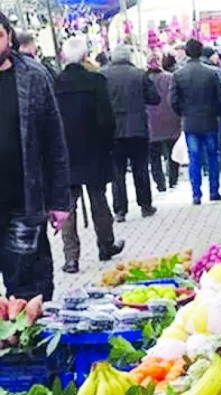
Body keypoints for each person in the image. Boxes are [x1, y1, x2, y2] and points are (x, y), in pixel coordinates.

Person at [0, 11, 71, 300]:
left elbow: (54, 142)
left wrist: (59, 200)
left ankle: (32, 343)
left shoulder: (33, 76)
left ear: (8, 36)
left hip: (24, 203)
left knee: (29, 287)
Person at [54, 37, 124, 274]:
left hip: (65, 154)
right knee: (99, 201)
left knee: (68, 207)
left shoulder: (56, 83)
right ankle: (106, 245)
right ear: (85, 56)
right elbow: (107, 119)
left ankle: (71, 258)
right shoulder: (96, 81)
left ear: (64, 57)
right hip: (94, 151)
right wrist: (107, 146)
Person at [101, 45, 160, 223]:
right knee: (140, 168)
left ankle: (120, 210)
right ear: (129, 57)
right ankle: (146, 206)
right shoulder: (140, 74)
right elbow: (154, 98)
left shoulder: (103, 75)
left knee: (117, 172)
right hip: (138, 129)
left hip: (113, 130)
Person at [170, 39, 221, 206]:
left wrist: (183, 114)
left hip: (190, 122)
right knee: (213, 156)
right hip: (211, 120)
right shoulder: (212, 73)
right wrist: (217, 112)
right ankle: (214, 191)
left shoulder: (179, 75)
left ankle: (196, 194)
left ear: (187, 53)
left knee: (194, 157)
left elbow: (173, 100)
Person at [147, 54, 181, 191]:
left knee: (154, 156)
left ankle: (160, 184)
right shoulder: (170, 77)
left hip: (151, 123)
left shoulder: (144, 79)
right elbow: (175, 97)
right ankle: (173, 180)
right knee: (173, 152)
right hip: (171, 120)